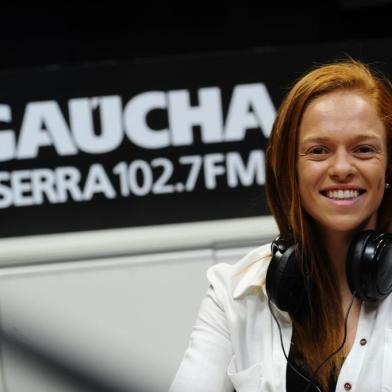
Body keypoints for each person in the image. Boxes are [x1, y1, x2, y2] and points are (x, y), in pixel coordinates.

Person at [169, 58, 392, 392]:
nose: (342, 167)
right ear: (290, 169)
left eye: (363, 149)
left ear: (388, 167)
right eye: (319, 151)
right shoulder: (236, 294)